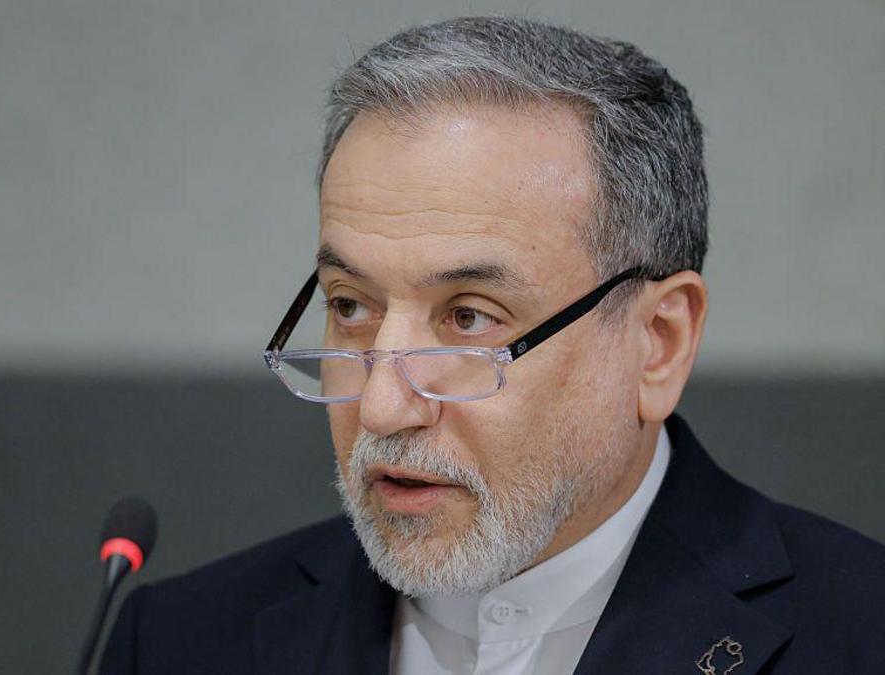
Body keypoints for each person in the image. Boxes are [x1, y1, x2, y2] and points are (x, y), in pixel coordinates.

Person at [98, 16, 885, 674]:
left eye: (470, 318)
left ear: (658, 342)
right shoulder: (176, 644)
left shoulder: (859, 633)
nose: (381, 406)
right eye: (350, 305)